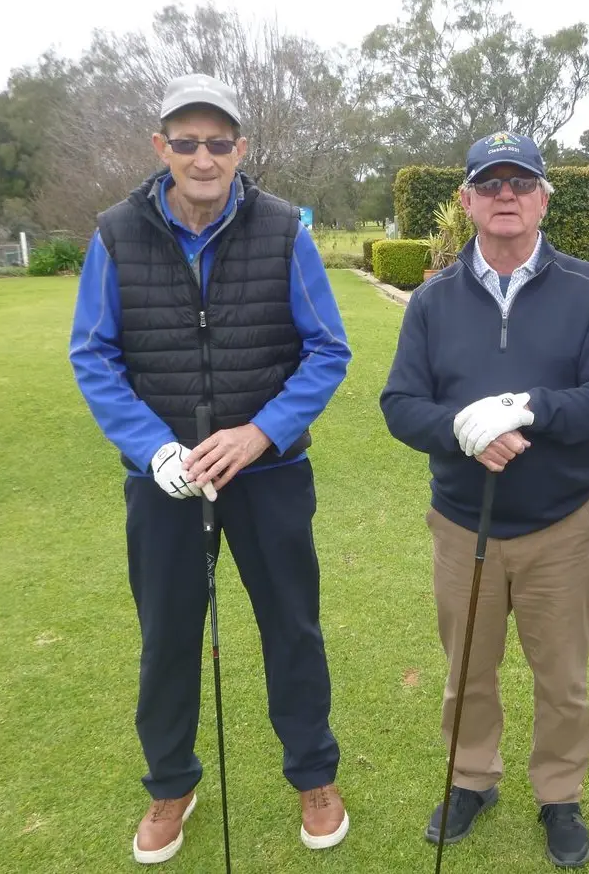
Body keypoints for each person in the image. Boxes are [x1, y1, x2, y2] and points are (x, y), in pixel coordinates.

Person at [68, 72, 353, 864]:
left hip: (267, 476)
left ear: (240, 149)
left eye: (218, 142)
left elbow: (327, 349)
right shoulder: (116, 232)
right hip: (164, 481)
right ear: (161, 148)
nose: (203, 156)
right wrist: (151, 447)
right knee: (167, 638)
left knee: (292, 629)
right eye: (186, 142)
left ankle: (314, 776)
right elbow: (93, 352)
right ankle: (171, 784)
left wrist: (260, 433)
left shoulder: (284, 229)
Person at [379, 131, 589, 868]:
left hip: (561, 525)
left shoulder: (587, 290)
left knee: (563, 677)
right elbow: (400, 404)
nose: (505, 197)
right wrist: (462, 429)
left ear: (543, 199)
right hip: (465, 524)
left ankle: (559, 795)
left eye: (519, 184)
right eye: (489, 185)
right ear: (465, 202)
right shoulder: (432, 301)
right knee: (467, 668)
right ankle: (471, 779)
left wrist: (527, 410)